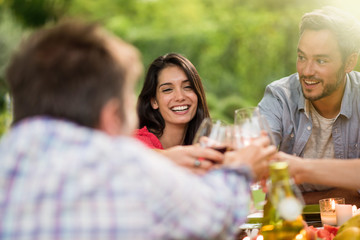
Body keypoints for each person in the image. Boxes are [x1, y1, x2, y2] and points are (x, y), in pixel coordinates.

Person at [0, 20, 276, 239]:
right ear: (110, 116)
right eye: (127, 99)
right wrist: (241, 168)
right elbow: (214, 215)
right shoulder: (125, 168)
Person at [258, 6, 360, 205]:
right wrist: (345, 193)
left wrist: (299, 169)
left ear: (349, 62)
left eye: (321, 61)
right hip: (293, 222)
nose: (306, 71)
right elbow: (254, 153)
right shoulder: (280, 96)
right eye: (302, 57)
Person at [136, 53, 223, 174]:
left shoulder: (206, 144)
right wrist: (172, 157)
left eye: (188, 87)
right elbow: (133, 155)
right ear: (154, 101)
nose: (180, 97)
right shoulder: (137, 141)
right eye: (168, 89)